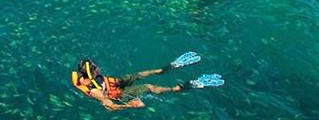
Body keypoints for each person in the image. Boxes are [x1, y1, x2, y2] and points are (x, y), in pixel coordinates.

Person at [71, 54, 222, 111]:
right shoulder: (94, 90)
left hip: (112, 83)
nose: (98, 66)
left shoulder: (84, 75)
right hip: (117, 94)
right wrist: (130, 105)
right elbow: (108, 105)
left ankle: (161, 70)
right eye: (96, 66)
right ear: (92, 71)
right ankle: (178, 88)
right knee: (149, 87)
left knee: (137, 75)